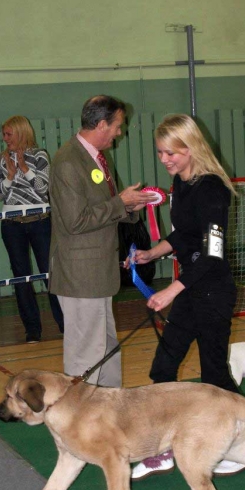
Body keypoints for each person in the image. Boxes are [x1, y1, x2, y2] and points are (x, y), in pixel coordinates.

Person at [130, 113, 245, 479]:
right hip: (192, 289)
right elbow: (184, 234)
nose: (165, 160)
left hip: (211, 290)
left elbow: (213, 252)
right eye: (161, 153)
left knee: (214, 375)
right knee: (164, 366)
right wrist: (153, 253)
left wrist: (171, 290)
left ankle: (239, 444)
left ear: (190, 147)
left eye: (171, 153)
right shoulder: (181, 184)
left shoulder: (211, 189)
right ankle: (161, 447)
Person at [48, 95, 155, 387]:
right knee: (86, 357)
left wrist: (129, 206)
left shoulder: (94, 157)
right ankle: (79, 425)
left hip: (97, 275)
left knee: (106, 350)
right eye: (118, 126)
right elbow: (75, 221)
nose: (120, 132)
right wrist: (120, 202)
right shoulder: (68, 162)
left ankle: (110, 414)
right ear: (101, 124)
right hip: (81, 276)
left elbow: (105, 209)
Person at [0, 116, 64, 343]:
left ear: (21, 133)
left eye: (8, 134)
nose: (5, 139)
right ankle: (32, 329)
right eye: (4, 134)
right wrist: (10, 177)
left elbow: (44, 190)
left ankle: (64, 324)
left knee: (49, 274)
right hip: (12, 224)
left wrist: (25, 168)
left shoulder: (40, 156)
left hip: (40, 221)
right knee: (20, 278)